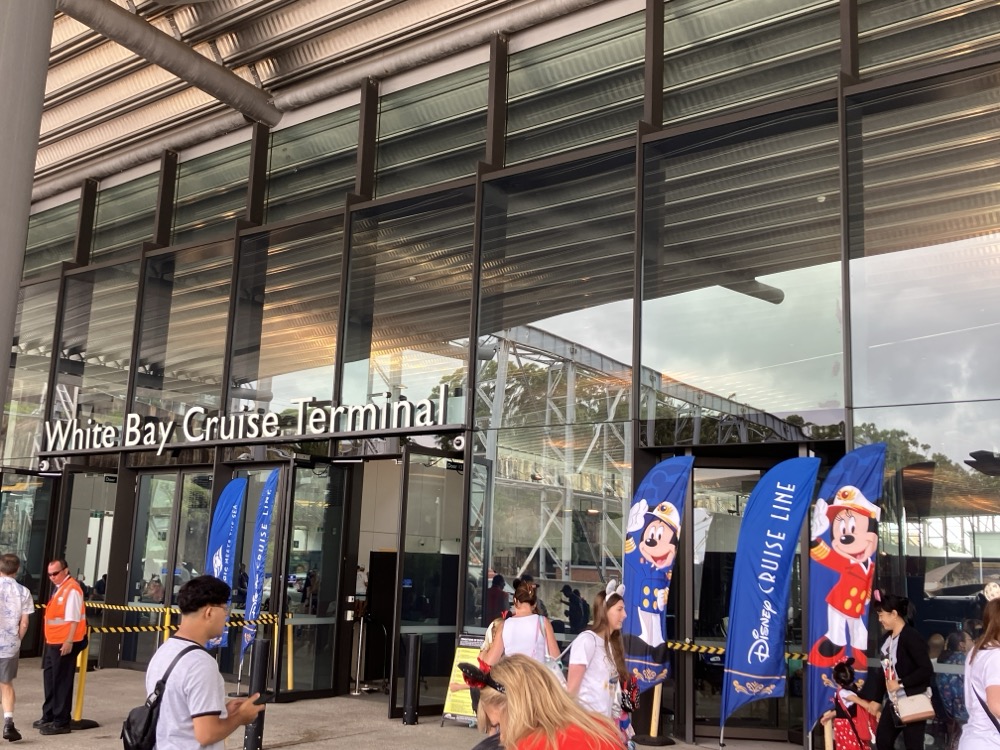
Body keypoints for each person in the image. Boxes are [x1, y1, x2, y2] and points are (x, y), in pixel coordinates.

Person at [146, 575, 264, 749]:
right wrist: (241, 717)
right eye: (225, 609)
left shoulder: (164, 652)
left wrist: (223, 712)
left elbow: (175, 715)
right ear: (209, 612)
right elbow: (207, 734)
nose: (226, 616)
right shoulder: (201, 664)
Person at [468, 654, 623, 750]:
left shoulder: (532, 744)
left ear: (516, 707)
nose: (501, 738)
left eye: (499, 725)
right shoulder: (600, 728)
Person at [860, 593, 933, 750]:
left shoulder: (911, 636)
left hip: (912, 699)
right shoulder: (887, 639)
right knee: (883, 740)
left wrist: (901, 683)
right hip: (894, 700)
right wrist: (877, 699)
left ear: (894, 614)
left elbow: (926, 669)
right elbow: (884, 671)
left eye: (881, 615)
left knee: (913, 745)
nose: (879, 620)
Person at [567, 580, 632, 746]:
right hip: (586, 726)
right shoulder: (587, 641)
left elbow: (611, 691)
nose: (624, 615)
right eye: (619, 609)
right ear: (605, 611)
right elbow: (571, 691)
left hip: (605, 726)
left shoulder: (611, 645)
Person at [35, 559, 87, 735]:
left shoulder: (71, 589)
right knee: (50, 678)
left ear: (66, 570)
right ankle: (49, 715)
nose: (52, 577)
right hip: (54, 641)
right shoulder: (60, 588)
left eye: (55, 573)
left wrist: (69, 641)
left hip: (65, 641)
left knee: (61, 681)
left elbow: (73, 619)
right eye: (49, 574)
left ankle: (61, 721)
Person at [482, 582, 560, 667]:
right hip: (536, 674)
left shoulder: (504, 626)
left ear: (515, 601)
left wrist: (483, 651)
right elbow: (556, 658)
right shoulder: (543, 622)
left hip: (513, 674)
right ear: (534, 604)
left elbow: (490, 661)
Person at [959, 594, 1000, 749]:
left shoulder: (978, 651)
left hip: (975, 738)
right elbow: (996, 705)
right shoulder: (996, 656)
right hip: (990, 742)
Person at [0, 554, 33, 741]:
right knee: (6, 684)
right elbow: (25, 623)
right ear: (17, 569)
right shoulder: (24, 592)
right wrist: (17, 639)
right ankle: (8, 723)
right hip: (9, 645)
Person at [820, 658, 876, 750]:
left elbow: (861, 702)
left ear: (835, 678)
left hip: (846, 727)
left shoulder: (844, 693)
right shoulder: (847, 690)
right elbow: (844, 709)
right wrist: (829, 716)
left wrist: (874, 710)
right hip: (847, 725)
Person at [937, 629, 973, 749]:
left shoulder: (945, 660)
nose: (973, 642)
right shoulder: (965, 661)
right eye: (970, 640)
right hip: (963, 710)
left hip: (949, 709)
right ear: (962, 645)